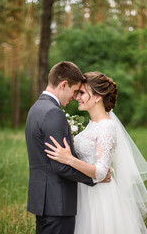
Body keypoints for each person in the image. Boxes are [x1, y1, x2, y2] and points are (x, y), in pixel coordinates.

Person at [45, 72, 147, 234]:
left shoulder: (106, 127)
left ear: (97, 97)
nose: (77, 97)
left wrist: (69, 159)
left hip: (99, 197)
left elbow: (102, 172)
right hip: (83, 191)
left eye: (82, 93)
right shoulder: (92, 124)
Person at [25, 62, 110, 234]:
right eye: (74, 91)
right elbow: (60, 165)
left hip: (44, 200)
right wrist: (95, 178)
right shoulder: (53, 113)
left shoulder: (36, 109)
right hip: (58, 203)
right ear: (63, 84)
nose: (74, 97)